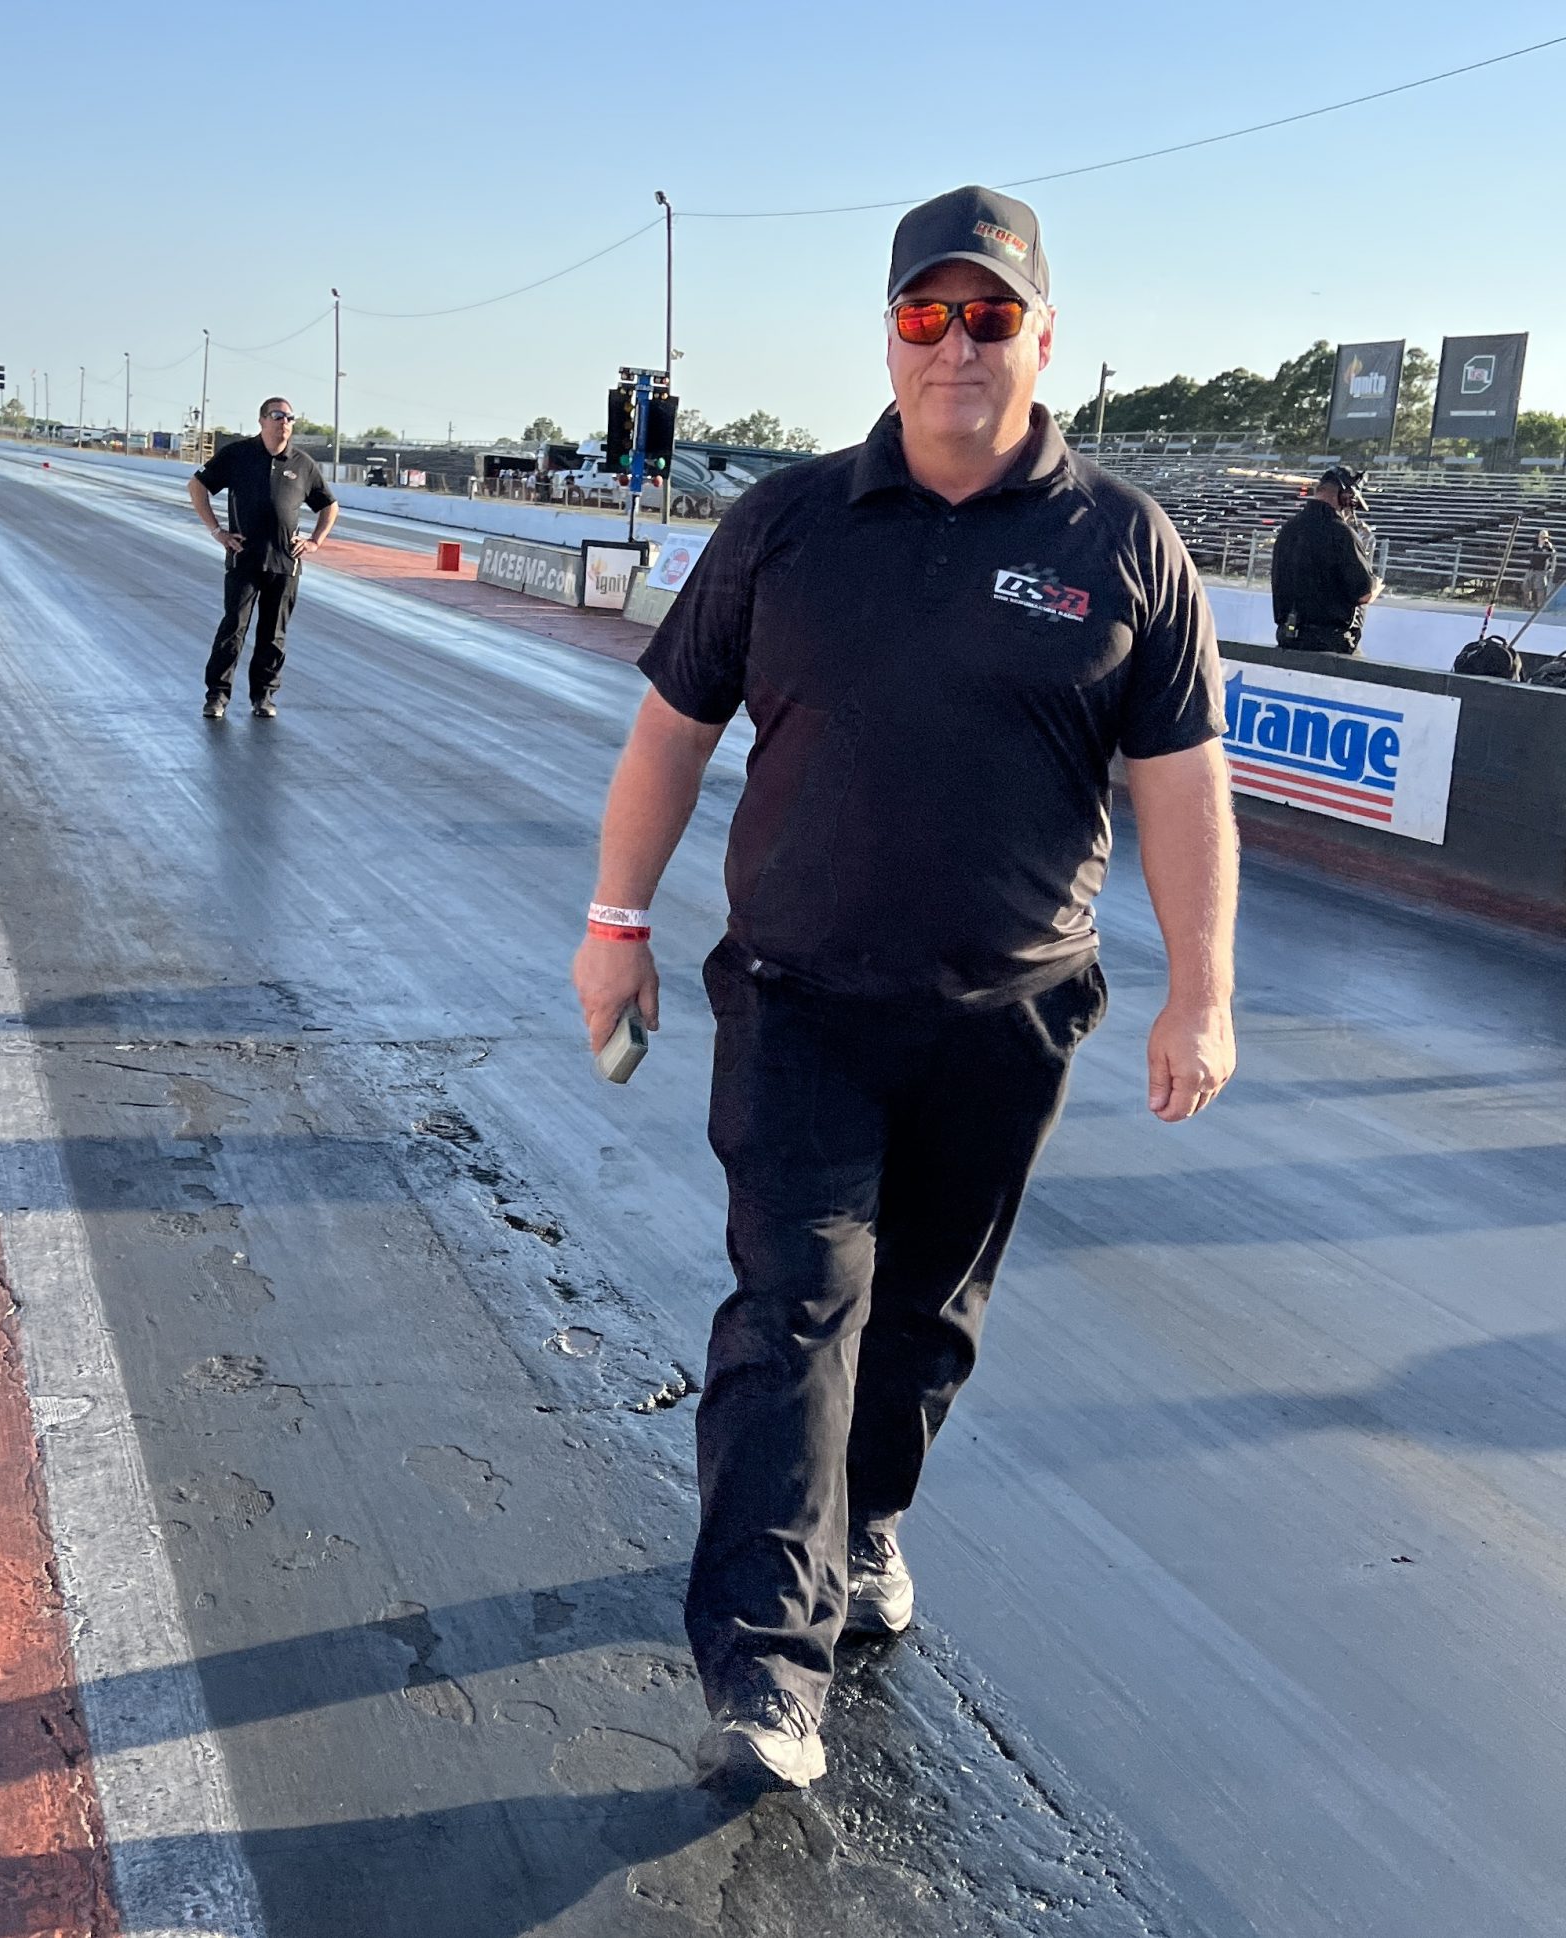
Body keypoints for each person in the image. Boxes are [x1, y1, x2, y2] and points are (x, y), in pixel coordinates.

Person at [572, 184, 1239, 1791]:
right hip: (798, 999)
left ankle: (866, 1522)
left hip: (1006, 1021)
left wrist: (1199, 989)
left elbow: (1185, 788)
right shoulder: (788, 525)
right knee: (795, 1303)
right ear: (886, 335)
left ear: (1044, 334)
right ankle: (765, 1661)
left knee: (923, 1323)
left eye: (989, 314)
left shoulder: (1123, 545)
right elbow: (672, 727)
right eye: (925, 315)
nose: (955, 344)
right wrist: (615, 918)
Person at [187, 397, 339, 719]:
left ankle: (264, 697)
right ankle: (216, 696)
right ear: (262, 421)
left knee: (274, 635)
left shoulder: (302, 464)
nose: (284, 422)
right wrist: (218, 532)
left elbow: (329, 505)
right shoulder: (238, 455)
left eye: (290, 417)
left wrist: (314, 541)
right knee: (233, 628)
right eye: (277, 416)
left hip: (285, 563)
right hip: (245, 558)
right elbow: (197, 486)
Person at [1271, 467, 1380, 654]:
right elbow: (1363, 593)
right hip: (1330, 644)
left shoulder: (1287, 530)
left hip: (1288, 639)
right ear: (1346, 496)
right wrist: (1375, 588)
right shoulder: (1342, 533)